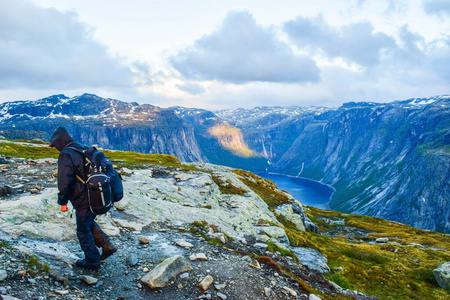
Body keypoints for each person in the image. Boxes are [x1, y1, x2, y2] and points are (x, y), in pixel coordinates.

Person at [50, 126, 117, 270]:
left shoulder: (66, 154)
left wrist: (62, 201)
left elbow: (65, 180)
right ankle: (106, 244)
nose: (55, 148)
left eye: (55, 145)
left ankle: (92, 260)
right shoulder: (82, 148)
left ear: (59, 142)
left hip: (82, 197)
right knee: (88, 221)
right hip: (96, 193)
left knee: (82, 229)